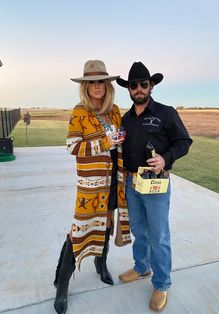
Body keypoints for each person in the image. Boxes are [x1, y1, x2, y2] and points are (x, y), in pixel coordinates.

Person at [53, 59, 131, 314]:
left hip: (114, 180)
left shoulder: (115, 110)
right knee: (79, 230)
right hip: (91, 184)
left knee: (107, 223)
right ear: (85, 87)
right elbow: (72, 146)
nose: (97, 86)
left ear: (107, 85)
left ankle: (101, 264)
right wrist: (103, 144)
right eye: (91, 82)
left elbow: (120, 141)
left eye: (101, 82)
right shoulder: (80, 112)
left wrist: (120, 144)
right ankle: (62, 284)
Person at [116, 62, 192, 312]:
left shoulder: (166, 113)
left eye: (143, 84)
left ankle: (161, 283)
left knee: (159, 235)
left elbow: (184, 141)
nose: (138, 88)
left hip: (156, 183)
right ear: (128, 88)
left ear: (151, 86)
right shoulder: (126, 118)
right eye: (133, 85)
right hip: (132, 182)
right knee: (139, 229)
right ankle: (141, 267)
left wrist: (165, 159)